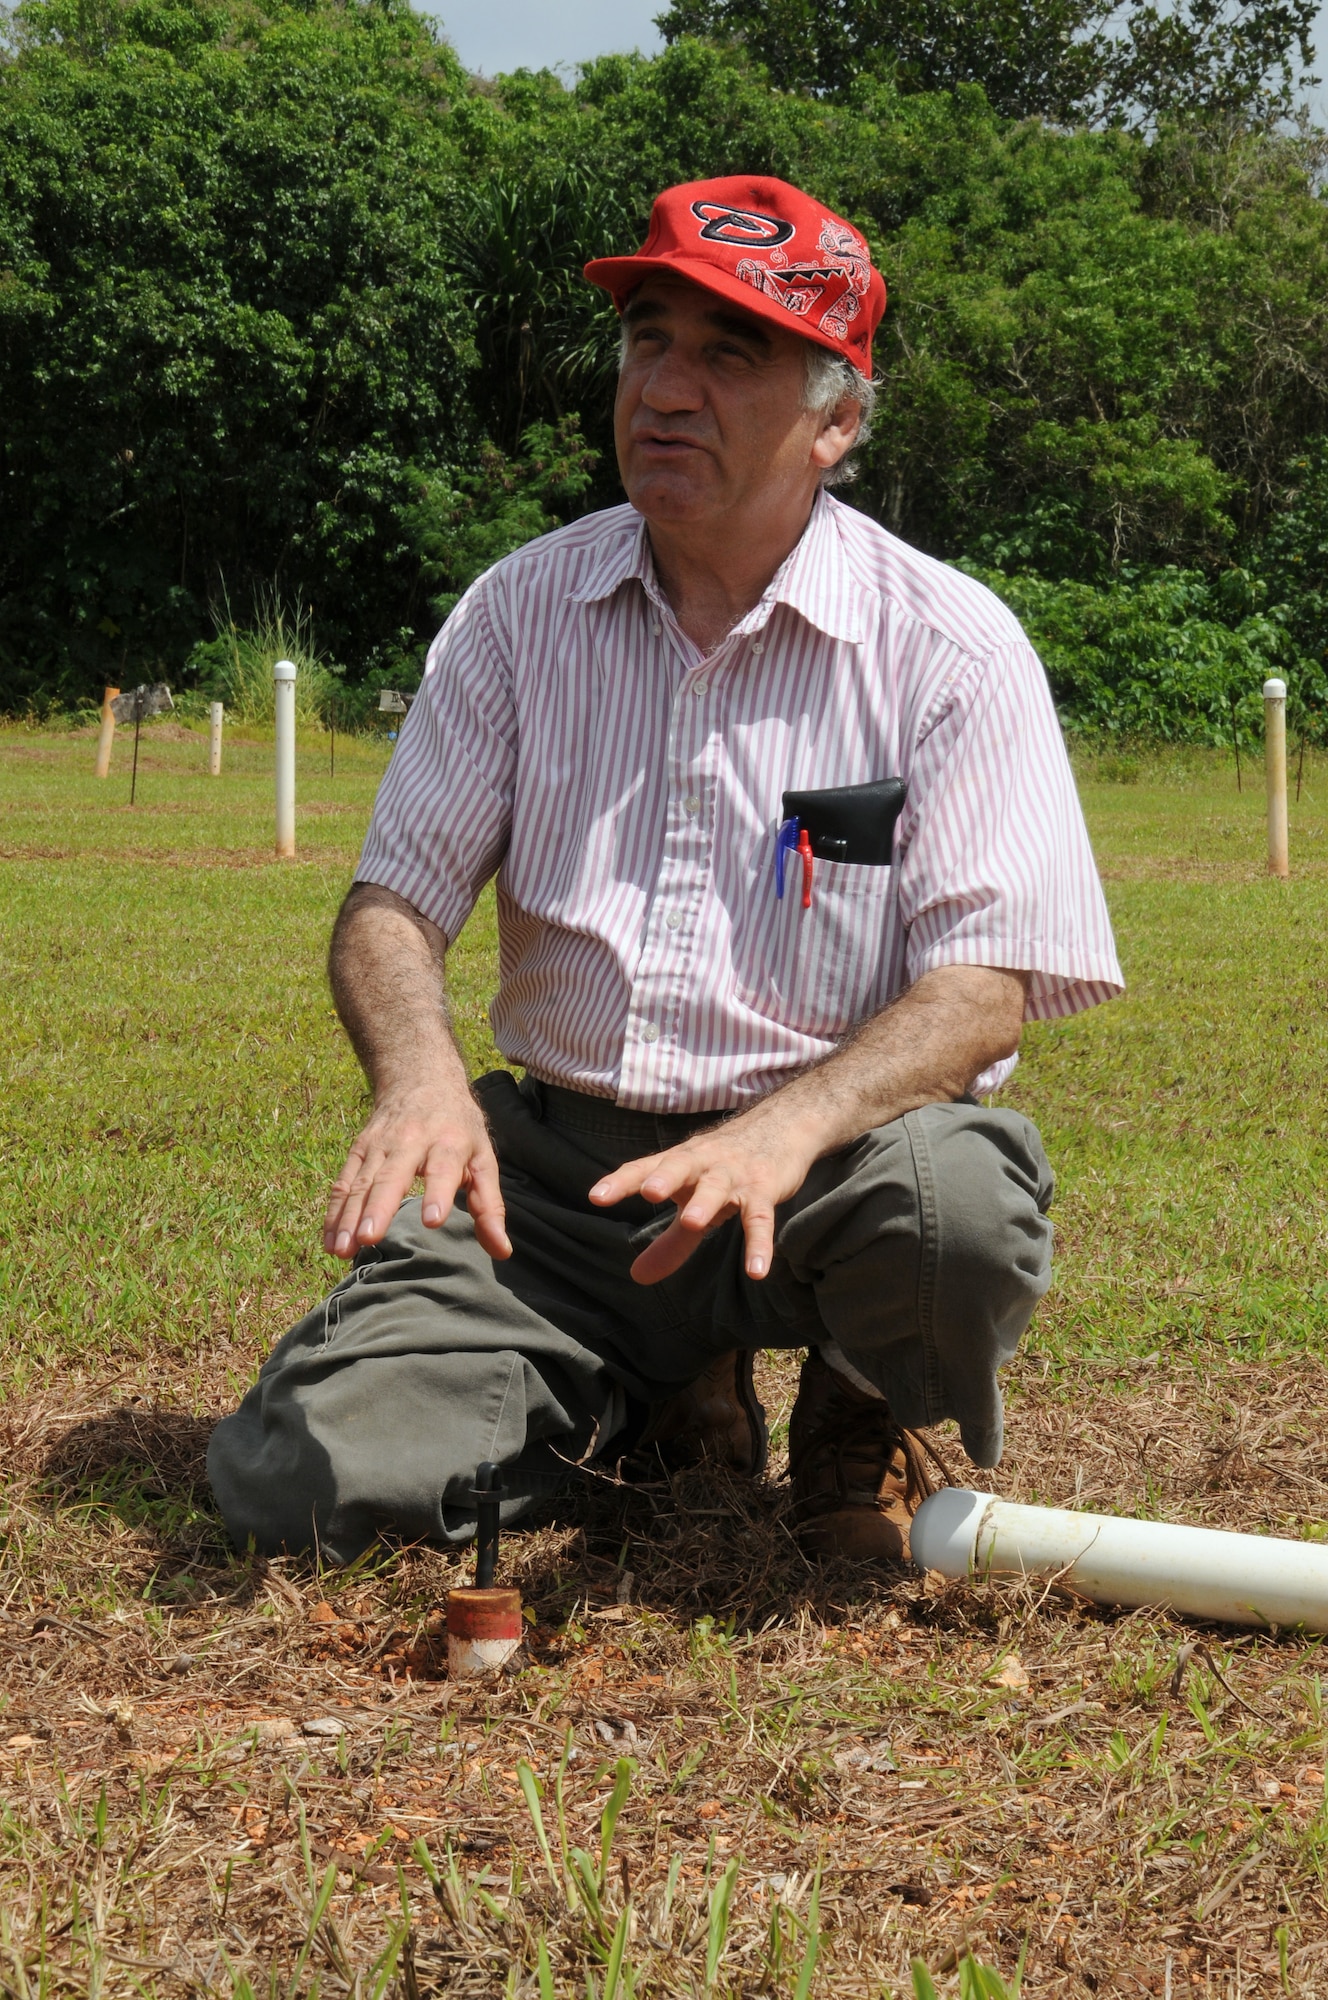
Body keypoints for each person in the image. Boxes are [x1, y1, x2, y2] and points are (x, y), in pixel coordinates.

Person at [208, 175, 1123, 1567]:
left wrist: (781, 1129)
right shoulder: (520, 614)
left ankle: (854, 1409)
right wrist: (421, 1074)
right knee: (304, 1483)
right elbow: (391, 905)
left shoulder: (950, 646)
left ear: (837, 420)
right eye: (649, 340)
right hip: (565, 1192)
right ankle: (635, 1397)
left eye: (730, 353)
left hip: (827, 1173)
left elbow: (983, 998)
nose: (667, 390)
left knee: (957, 1206)